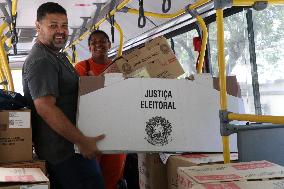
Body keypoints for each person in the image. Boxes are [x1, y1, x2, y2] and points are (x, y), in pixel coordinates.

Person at [22, 2, 105, 189]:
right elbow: (45, 107)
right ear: (38, 26)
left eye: (64, 25)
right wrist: (82, 141)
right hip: (65, 152)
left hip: (71, 149)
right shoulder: (41, 60)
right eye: (53, 26)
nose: (61, 31)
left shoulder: (57, 55)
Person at [75, 30, 126, 189]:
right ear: (89, 47)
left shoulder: (119, 66)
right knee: (92, 175)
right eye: (94, 42)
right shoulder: (81, 67)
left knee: (113, 175)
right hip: (90, 130)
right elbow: (80, 94)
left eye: (102, 41)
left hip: (117, 127)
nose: (98, 45)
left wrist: (96, 82)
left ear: (109, 44)